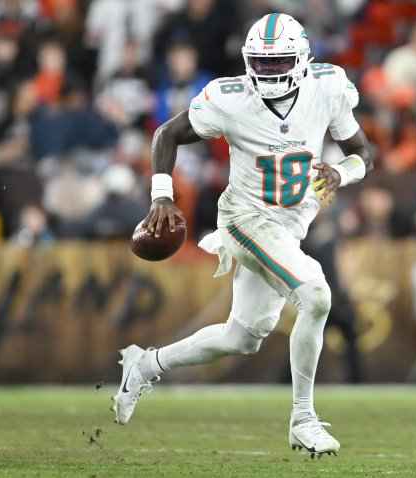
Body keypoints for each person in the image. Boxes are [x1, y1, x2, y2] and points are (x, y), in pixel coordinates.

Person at [112, 13, 373, 458]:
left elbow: (362, 152)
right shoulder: (229, 97)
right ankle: (303, 418)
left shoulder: (327, 87)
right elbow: (167, 133)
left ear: (303, 59)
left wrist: (341, 175)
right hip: (245, 217)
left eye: (279, 63)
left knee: (244, 337)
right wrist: (160, 195)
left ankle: (145, 364)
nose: (268, 72)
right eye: (261, 63)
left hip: (290, 223)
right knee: (316, 295)